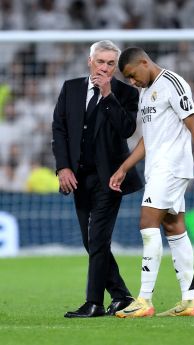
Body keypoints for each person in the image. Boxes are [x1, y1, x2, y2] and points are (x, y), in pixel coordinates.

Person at [109, 47, 194, 318]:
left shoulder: (172, 83)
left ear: (143, 62)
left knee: (147, 223)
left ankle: (144, 299)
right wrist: (124, 167)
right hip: (158, 168)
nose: (132, 82)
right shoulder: (145, 92)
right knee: (173, 227)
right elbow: (149, 139)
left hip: (171, 167)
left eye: (132, 75)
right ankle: (190, 301)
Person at [52, 40, 142, 318]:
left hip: (110, 178)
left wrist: (108, 96)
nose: (104, 67)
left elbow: (127, 129)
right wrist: (63, 168)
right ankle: (122, 296)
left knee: (98, 239)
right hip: (78, 177)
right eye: (100, 61)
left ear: (116, 66)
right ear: (89, 61)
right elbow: (60, 129)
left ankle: (94, 303)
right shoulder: (71, 88)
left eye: (110, 63)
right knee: (90, 241)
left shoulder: (126, 93)